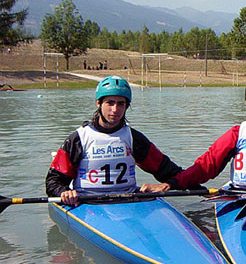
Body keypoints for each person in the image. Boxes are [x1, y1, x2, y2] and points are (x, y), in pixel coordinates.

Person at [46, 76, 185, 205]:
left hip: (128, 199)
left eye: (121, 104)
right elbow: (53, 181)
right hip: (88, 201)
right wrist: (63, 193)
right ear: (98, 103)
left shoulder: (134, 138)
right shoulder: (78, 139)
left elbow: (166, 169)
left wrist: (195, 186)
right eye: (110, 103)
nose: (115, 110)